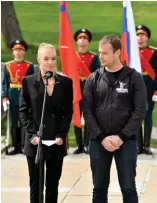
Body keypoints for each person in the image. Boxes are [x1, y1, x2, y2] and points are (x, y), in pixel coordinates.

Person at [83, 35, 147, 203]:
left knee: (128, 188)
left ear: (117, 52)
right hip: (99, 141)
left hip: (126, 141)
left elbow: (139, 111)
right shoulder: (93, 78)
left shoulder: (134, 77)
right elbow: (87, 112)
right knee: (99, 188)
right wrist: (101, 138)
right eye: (99, 52)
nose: (101, 57)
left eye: (105, 53)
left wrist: (121, 137)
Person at [19, 43, 73, 203]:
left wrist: (61, 134)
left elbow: (67, 112)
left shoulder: (65, 83)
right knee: (35, 184)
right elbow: (23, 111)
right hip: (35, 141)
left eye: (53, 59)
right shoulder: (28, 82)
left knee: (52, 185)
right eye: (46, 59)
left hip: (56, 141)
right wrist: (32, 134)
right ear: (38, 60)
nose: (50, 62)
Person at [2, 39, 34, 155]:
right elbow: (4, 83)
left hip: (25, 95)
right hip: (12, 95)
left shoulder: (29, 66)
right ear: (13, 52)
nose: (18, 52)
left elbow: (32, 83)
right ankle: (16, 146)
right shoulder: (8, 65)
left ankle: (24, 146)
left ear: (24, 52)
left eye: (20, 50)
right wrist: (4, 98)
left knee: (24, 120)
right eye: (16, 50)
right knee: (13, 121)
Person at [73, 28, 100, 154]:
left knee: (89, 117)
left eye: (85, 38)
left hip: (88, 90)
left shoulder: (93, 58)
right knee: (76, 117)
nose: (82, 40)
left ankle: (87, 144)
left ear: (88, 41)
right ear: (77, 41)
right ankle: (79, 145)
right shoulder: (72, 56)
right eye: (80, 38)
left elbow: (97, 76)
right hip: (75, 90)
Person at [136, 25, 157, 155]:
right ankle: (138, 146)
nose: (140, 37)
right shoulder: (130, 51)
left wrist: (156, 91)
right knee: (136, 116)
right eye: (138, 35)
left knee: (147, 115)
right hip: (135, 88)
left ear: (147, 37)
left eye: (143, 35)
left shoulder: (154, 52)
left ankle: (147, 145)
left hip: (149, 87)